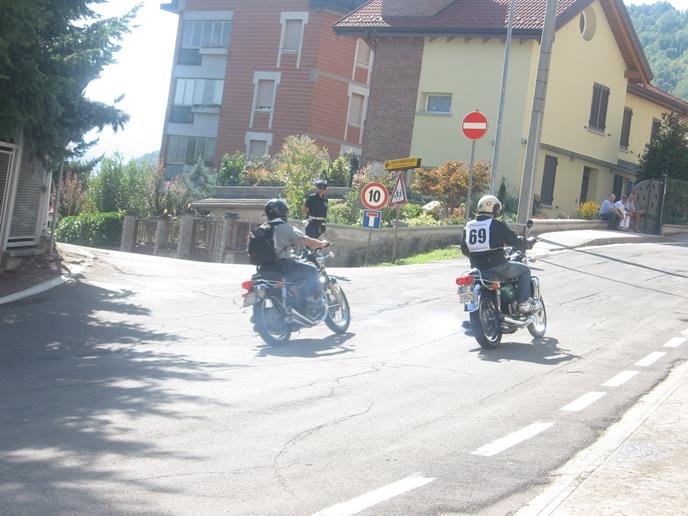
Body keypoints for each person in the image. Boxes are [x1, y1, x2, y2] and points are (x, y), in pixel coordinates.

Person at [460, 195, 537, 314]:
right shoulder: (496, 225)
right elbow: (514, 241)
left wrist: (477, 256)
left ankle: (470, 304)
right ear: (495, 209)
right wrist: (527, 243)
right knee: (525, 270)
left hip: (477, 268)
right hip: (497, 266)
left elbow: (464, 249)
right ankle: (522, 303)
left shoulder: (468, 226)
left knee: (467, 280)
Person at [264, 199, 329, 313]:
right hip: (284, 266)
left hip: (264, 269)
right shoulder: (284, 227)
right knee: (312, 270)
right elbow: (306, 240)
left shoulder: (261, 228)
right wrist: (321, 243)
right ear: (283, 213)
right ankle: (315, 302)